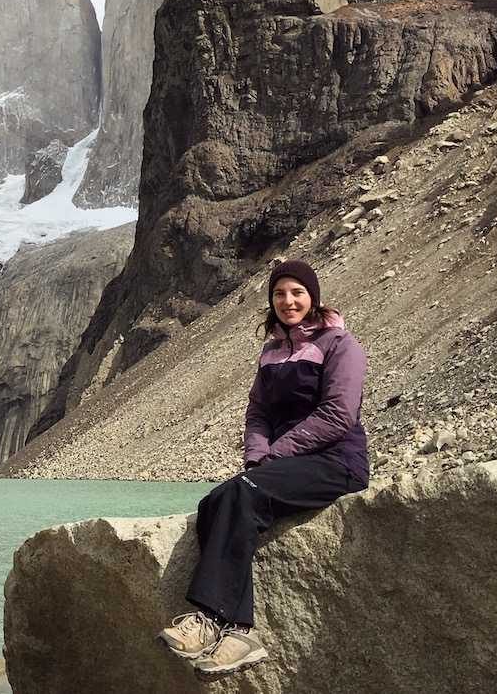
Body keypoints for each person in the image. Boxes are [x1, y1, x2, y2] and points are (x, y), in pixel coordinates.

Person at [157, 259, 369, 680]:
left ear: (313, 298)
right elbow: (257, 414)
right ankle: (236, 633)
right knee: (214, 500)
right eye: (279, 294)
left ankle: (214, 620)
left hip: (335, 460)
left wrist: (277, 454)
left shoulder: (340, 344)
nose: (288, 301)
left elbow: (339, 414)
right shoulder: (271, 352)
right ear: (271, 301)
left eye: (297, 293)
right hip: (281, 463)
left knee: (241, 492)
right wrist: (257, 456)